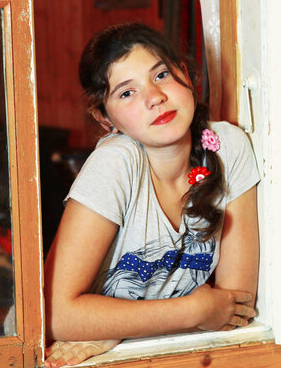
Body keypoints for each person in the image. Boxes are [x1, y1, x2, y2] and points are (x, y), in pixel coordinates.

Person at [43, 22, 260, 368]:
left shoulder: (228, 147)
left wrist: (115, 327)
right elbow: (54, 314)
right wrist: (193, 310)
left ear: (185, 74)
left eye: (161, 75)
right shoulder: (115, 163)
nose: (154, 98)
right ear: (104, 118)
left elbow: (235, 305)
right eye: (126, 93)